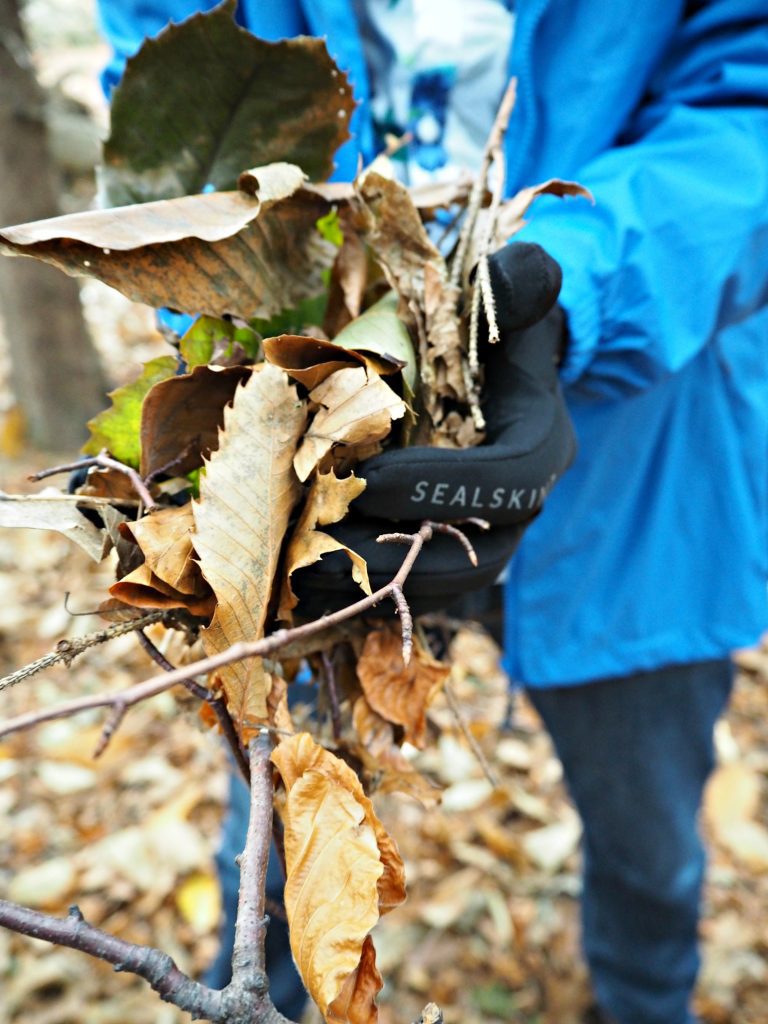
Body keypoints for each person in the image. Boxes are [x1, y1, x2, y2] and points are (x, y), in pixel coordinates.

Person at [95, 3, 768, 1023]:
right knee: (284, 826)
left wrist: (569, 288)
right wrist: (260, 346)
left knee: (650, 837)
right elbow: (179, 126)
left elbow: (747, 100)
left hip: (646, 450)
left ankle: (643, 998)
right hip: (309, 485)